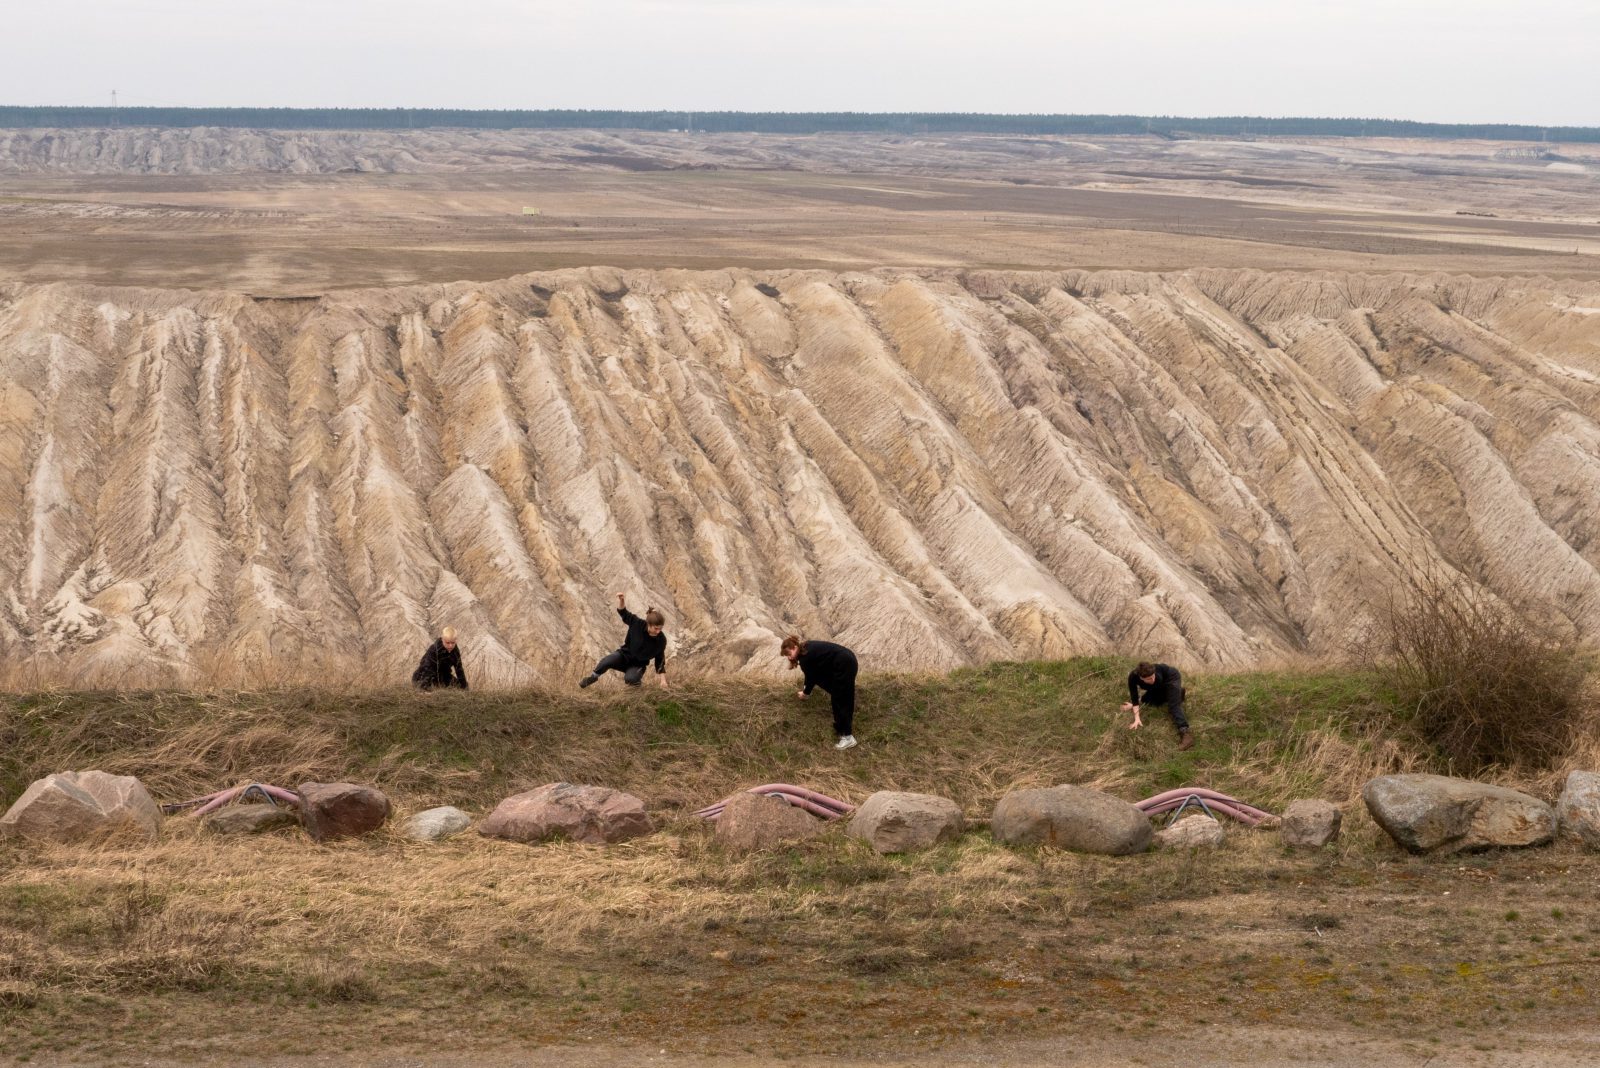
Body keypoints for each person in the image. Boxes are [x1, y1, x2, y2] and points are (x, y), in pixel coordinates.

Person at [781, 635, 858, 750]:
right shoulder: (806, 647)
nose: (789, 657)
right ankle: (841, 727)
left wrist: (805, 693)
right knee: (841, 696)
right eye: (787, 655)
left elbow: (811, 678)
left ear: (795, 647)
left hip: (844, 664)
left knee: (840, 700)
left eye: (789, 653)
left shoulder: (805, 658)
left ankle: (847, 737)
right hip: (848, 660)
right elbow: (814, 675)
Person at [579, 593, 670, 689]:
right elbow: (623, 612)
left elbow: (660, 661)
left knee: (631, 679)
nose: (658, 631)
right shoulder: (637, 623)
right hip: (623, 655)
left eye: (660, 628)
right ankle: (592, 678)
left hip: (638, 665)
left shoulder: (661, 640)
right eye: (656, 628)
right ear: (648, 624)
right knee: (606, 661)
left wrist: (663, 681)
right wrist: (622, 600)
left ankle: (636, 689)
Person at [1121, 660, 1194, 750]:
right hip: (1159, 686)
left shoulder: (1157, 678)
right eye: (1149, 679)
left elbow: (1154, 691)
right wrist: (1136, 717)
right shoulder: (1133, 677)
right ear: (1141, 678)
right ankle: (1179, 692)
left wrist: (1137, 703)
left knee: (1173, 706)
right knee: (1151, 702)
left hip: (1172, 677)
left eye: (1152, 676)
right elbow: (1134, 695)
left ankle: (1185, 733)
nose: (1152, 680)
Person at [413, 626, 469, 690]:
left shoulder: (455, 651)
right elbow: (427, 668)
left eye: (453, 643)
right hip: (424, 676)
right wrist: (424, 687)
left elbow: (459, 669)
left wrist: (464, 687)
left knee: (459, 686)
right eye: (447, 643)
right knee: (429, 689)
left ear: (456, 640)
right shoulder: (434, 650)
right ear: (442, 639)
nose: (450, 646)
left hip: (443, 675)